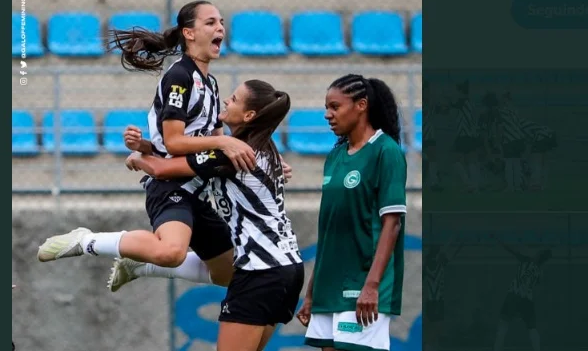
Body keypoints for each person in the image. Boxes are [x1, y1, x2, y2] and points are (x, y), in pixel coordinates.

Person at [37, 0, 257, 286]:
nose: (220, 29)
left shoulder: (211, 83)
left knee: (230, 275)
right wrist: (224, 141)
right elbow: (175, 142)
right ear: (188, 33)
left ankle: (138, 265)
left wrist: (259, 156)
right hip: (171, 186)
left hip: (198, 188)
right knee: (172, 252)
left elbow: (203, 140)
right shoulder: (180, 77)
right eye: (211, 22)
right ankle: (86, 240)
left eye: (222, 23)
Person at [114, 80, 304, 351]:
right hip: (288, 268)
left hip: (260, 271)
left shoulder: (230, 155)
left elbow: (163, 170)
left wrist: (136, 158)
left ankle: (87, 243)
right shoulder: (263, 146)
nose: (227, 100)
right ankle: (140, 267)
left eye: (235, 99)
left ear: (249, 116)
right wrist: (145, 145)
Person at [295, 74, 407, 351]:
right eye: (326, 107)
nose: (327, 115)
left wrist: (372, 286)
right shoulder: (335, 156)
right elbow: (331, 228)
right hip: (328, 284)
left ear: (361, 105)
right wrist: (311, 292)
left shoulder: (386, 152)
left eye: (335, 107)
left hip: (363, 283)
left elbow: (392, 224)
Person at [493, 241, 551, 351]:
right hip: (527, 301)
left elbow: (513, 251)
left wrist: (501, 243)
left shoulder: (526, 260)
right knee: (532, 328)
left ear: (538, 256)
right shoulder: (539, 272)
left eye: (537, 253)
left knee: (503, 325)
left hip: (514, 296)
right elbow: (537, 283)